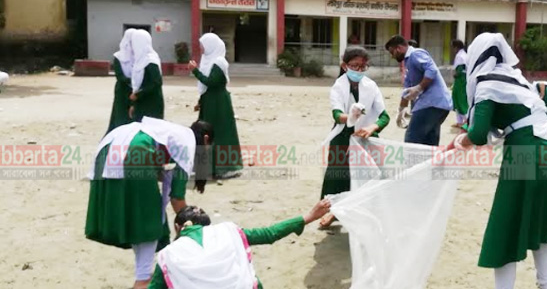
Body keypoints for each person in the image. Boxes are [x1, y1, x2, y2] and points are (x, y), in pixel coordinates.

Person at [447, 32, 547, 289]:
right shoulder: (516, 78)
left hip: (525, 151)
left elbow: (477, 133)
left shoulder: (486, 83)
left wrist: (459, 143)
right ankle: (546, 284)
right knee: (539, 226)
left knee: (505, 229)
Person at [85, 118, 214, 289]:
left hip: (111, 143)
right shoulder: (187, 144)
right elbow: (177, 200)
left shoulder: (171, 133)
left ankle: (142, 273)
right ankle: (143, 279)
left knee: (138, 216)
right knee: (150, 218)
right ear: (205, 140)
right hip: (134, 150)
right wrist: (193, 230)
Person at [148, 199, 331, 289]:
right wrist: (309, 216)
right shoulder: (228, 231)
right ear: (207, 225)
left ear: (178, 227)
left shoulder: (169, 255)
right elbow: (270, 234)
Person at [319, 46, 390, 228]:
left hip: (366, 137)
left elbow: (384, 116)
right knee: (337, 176)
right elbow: (337, 115)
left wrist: (372, 126)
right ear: (344, 65)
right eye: (354, 66)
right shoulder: (338, 86)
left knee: (366, 176)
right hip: (343, 137)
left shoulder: (371, 86)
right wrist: (350, 117)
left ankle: (362, 212)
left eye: (363, 67)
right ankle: (333, 212)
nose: (359, 70)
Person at [188, 33, 243, 179]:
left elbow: (212, 82)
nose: (201, 48)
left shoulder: (219, 62)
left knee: (220, 133)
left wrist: (195, 71)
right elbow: (206, 87)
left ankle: (226, 168)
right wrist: (200, 102)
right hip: (209, 102)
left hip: (219, 104)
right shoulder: (207, 60)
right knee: (206, 134)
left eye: (203, 45)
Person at [385, 35, 452, 146]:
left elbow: (432, 70)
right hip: (439, 105)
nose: (392, 56)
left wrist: (419, 87)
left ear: (399, 48)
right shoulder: (408, 62)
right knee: (428, 142)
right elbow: (407, 91)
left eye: (392, 52)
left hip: (430, 103)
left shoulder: (415, 54)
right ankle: (430, 163)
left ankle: (412, 163)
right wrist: (400, 112)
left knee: (412, 140)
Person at [129, 30, 164, 122]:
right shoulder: (140, 61)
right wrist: (134, 105)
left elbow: (156, 82)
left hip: (151, 104)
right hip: (142, 103)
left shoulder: (150, 61)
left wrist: (138, 94)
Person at [107, 29, 136, 133]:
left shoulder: (140, 55)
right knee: (121, 115)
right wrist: (135, 80)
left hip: (136, 91)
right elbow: (120, 76)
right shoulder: (118, 57)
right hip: (123, 90)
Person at [451, 40, 469, 128]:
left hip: (461, 80)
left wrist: (455, 74)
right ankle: (459, 121)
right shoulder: (465, 54)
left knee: (460, 99)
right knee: (457, 98)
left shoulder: (460, 56)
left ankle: (465, 120)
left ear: (456, 47)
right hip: (462, 80)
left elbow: (460, 69)